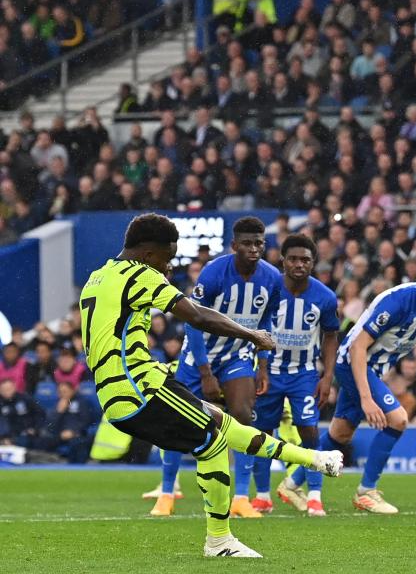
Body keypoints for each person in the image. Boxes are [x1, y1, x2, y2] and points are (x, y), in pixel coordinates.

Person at [79, 213, 342, 557]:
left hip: (123, 387)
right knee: (213, 442)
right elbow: (198, 316)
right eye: (166, 258)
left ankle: (314, 459)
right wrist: (251, 334)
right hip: (138, 387)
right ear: (146, 253)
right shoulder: (141, 274)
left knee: (223, 423)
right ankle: (219, 540)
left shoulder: (98, 277)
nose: (167, 266)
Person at [152, 216, 282, 519]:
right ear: (234, 245)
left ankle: (240, 498)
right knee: (174, 420)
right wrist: (205, 372)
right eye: (247, 243)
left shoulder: (273, 278)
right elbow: (194, 323)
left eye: (259, 243)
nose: (254, 249)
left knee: (243, 417)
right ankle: (166, 493)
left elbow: (265, 322)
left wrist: (262, 366)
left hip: (237, 356)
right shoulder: (213, 274)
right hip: (199, 357)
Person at [316, 254, 416, 513]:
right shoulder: (397, 301)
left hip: (374, 369)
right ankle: (366, 491)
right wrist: (367, 399)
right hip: (353, 362)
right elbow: (358, 347)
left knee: (341, 433)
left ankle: (292, 482)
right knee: (398, 419)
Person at [247, 234, 340, 517]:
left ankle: (314, 495)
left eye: (305, 260)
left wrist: (327, 378)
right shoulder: (268, 290)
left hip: (304, 374)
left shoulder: (324, 296)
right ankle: (262, 496)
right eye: (294, 259)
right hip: (268, 372)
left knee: (309, 429)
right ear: (282, 261)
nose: (299, 264)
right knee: (262, 433)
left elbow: (331, 336)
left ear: (313, 263)